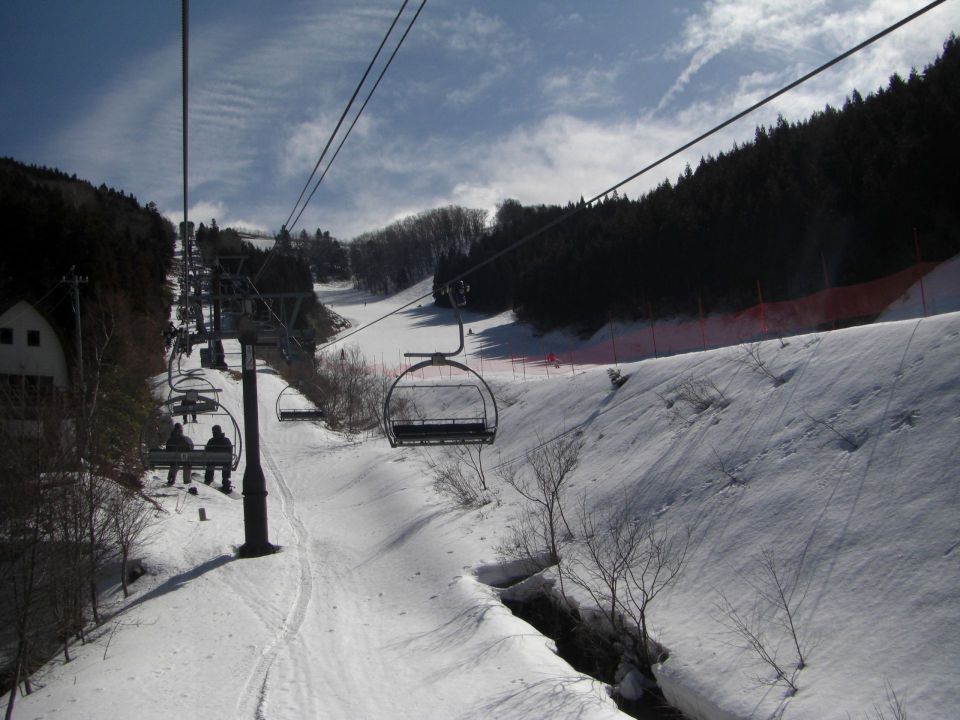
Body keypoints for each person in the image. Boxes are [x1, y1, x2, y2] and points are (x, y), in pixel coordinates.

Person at [204, 424, 233, 492]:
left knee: (210, 460)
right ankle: (225, 479)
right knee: (227, 460)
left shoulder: (211, 441)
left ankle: (209, 477)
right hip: (224, 461)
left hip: (213, 461)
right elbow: (230, 451)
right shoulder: (226, 440)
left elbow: (207, 451)